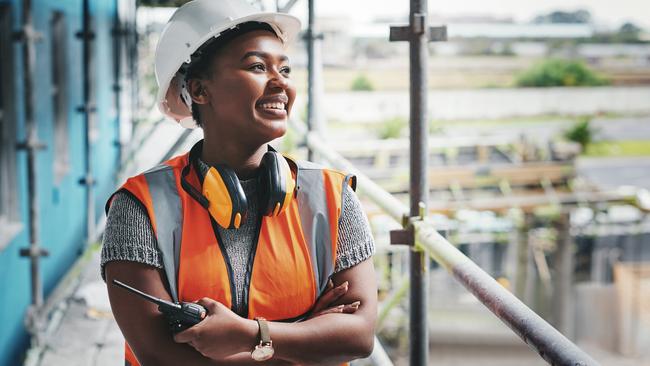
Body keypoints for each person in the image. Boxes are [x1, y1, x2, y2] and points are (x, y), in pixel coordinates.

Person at [101, 0, 378, 365]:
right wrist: (305, 337)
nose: (281, 83)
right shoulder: (139, 206)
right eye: (258, 66)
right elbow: (160, 358)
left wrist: (248, 335)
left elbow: (358, 336)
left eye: (286, 69)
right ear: (200, 90)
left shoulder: (331, 196)